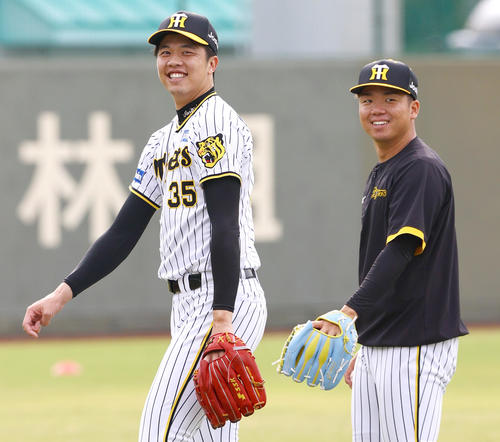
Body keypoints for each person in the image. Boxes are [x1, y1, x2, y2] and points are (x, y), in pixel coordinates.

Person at [22, 11, 267, 442]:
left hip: (220, 298)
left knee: (159, 431)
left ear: (212, 62)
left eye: (187, 51)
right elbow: (123, 232)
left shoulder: (216, 122)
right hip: (188, 304)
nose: (174, 60)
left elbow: (225, 223)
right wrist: (60, 295)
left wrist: (223, 319)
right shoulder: (162, 140)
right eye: (165, 52)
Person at [313, 59, 468, 441]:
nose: (377, 109)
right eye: (367, 100)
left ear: (413, 108)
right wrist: (364, 341)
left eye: (390, 99)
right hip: (379, 342)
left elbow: (401, 249)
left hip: (414, 343)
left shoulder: (420, 168)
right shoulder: (385, 169)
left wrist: (347, 314)